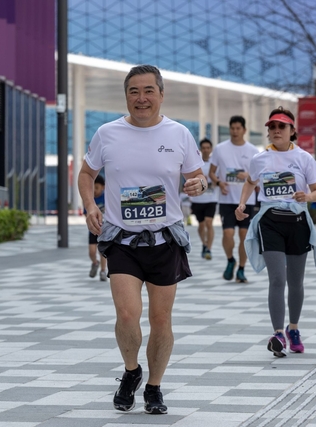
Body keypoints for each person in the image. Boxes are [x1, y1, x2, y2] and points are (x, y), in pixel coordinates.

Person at [77, 64, 204, 415]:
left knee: (161, 320)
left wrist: (198, 184)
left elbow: (197, 176)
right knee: (127, 314)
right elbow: (86, 173)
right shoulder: (107, 133)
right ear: (126, 96)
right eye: (134, 91)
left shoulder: (179, 134)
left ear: (161, 94)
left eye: (149, 91)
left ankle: (154, 387)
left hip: (165, 240)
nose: (141, 98)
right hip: (123, 240)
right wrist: (90, 205)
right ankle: (132, 371)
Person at [236, 106, 316, 358]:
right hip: (270, 222)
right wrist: (242, 204)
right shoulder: (260, 159)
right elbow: (250, 182)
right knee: (277, 279)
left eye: (281, 126)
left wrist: (307, 196)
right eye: (272, 127)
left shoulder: (304, 158)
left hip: (297, 222)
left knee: (296, 282)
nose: (276, 131)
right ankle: (277, 334)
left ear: (292, 130)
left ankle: (293, 329)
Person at [208, 116, 259, 282]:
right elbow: (211, 172)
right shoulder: (220, 149)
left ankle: (242, 269)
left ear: (244, 130)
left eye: (238, 128)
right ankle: (230, 260)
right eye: (232, 128)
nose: (235, 131)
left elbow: (259, 175)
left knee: (244, 235)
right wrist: (219, 183)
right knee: (228, 233)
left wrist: (248, 175)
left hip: (246, 200)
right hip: (227, 199)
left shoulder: (253, 151)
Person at [190, 138, 218, 260]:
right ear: (200, 149)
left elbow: (218, 179)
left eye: (208, 148)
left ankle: (209, 249)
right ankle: (204, 244)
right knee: (201, 225)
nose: (206, 150)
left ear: (211, 149)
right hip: (197, 200)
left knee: (209, 222)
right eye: (204, 148)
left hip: (211, 198)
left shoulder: (215, 164)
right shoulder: (196, 163)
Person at [85, 175, 107, 281]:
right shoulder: (90, 200)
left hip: (104, 229)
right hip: (93, 230)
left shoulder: (107, 198)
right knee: (92, 251)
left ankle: (103, 271)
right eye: (92, 187)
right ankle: (95, 263)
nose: (94, 190)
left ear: (103, 187)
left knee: (102, 252)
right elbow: (86, 214)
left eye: (97, 187)